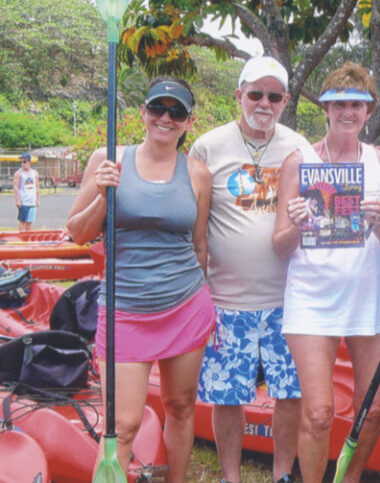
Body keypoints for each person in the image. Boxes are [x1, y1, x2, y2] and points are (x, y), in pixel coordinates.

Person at [66, 77, 215, 482]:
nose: (165, 118)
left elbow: (199, 245)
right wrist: (102, 192)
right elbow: (77, 233)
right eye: (157, 108)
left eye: (176, 111)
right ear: (143, 113)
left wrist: (207, 308)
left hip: (186, 306)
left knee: (182, 406)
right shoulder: (108, 159)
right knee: (123, 424)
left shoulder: (198, 174)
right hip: (124, 310)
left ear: (188, 121)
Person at [272, 62, 380, 483]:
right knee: (318, 411)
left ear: (369, 111)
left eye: (357, 104)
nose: (347, 111)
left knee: (374, 407)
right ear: (324, 109)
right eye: (338, 103)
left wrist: (379, 221)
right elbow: (279, 246)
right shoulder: (299, 162)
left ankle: (350, 478)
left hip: (371, 297)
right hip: (311, 298)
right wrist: (296, 222)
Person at [192, 56, 306, 483]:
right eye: (255, 93)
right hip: (225, 300)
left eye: (274, 95)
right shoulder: (207, 146)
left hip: (288, 301)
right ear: (238, 95)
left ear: (285, 100)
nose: (264, 103)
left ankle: (281, 474)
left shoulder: (299, 147)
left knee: (290, 394)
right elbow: (195, 228)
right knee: (227, 396)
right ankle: (230, 476)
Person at [13, 152, 40, 231]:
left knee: (30, 222)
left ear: (29, 162)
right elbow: (15, 187)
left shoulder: (34, 173)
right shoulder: (19, 173)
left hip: (32, 201)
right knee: (23, 222)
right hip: (24, 201)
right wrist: (18, 200)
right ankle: (21, 239)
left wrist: (38, 199)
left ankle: (28, 239)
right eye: (21, 162)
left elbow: (37, 187)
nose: (22, 164)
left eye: (24, 162)